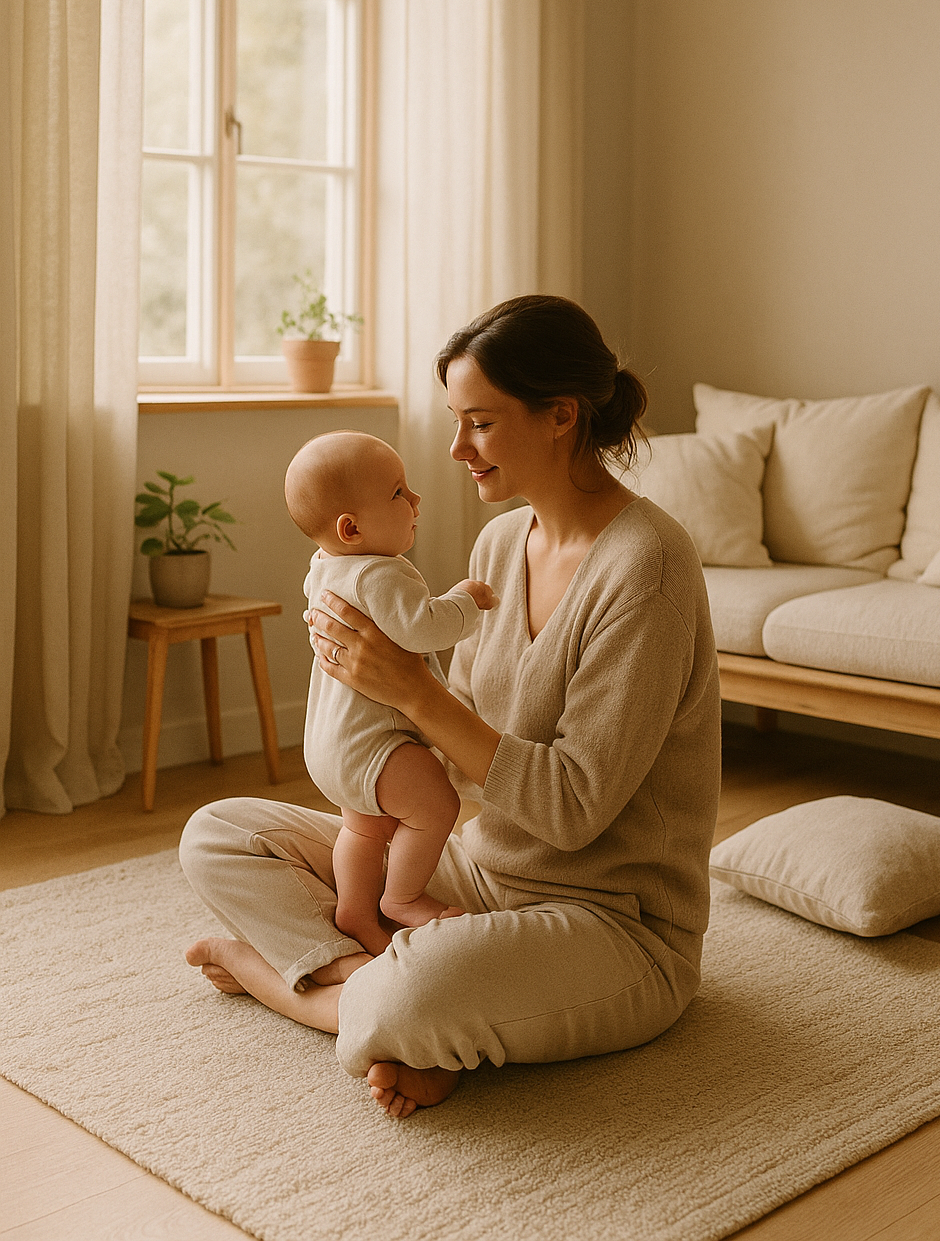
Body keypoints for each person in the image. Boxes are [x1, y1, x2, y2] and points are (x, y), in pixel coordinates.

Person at [181, 294, 721, 1120]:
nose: (456, 448)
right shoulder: (502, 543)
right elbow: (459, 741)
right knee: (217, 835)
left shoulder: (647, 568)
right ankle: (384, 992)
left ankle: (307, 989)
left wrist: (411, 689)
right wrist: (367, 752)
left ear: (560, 417)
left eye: (479, 423)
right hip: (479, 869)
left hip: (612, 923)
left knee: (417, 993)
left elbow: (573, 810)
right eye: (455, 421)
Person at [283, 431, 496, 957]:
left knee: (364, 826)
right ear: (351, 528)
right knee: (436, 806)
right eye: (399, 492)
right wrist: (465, 599)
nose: (416, 500)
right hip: (376, 745)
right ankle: (402, 898)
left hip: (330, 746)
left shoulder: (323, 566)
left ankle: (355, 908)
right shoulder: (381, 573)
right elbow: (423, 628)